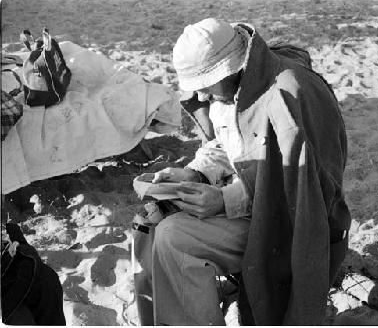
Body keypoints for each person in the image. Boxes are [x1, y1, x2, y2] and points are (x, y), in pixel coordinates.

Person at [135, 18, 351, 325]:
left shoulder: (288, 95)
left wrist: (224, 200)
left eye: (206, 85)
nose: (204, 97)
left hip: (289, 225)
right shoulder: (230, 88)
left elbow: (300, 193)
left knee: (174, 239)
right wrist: (195, 173)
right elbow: (225, 143)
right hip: (250, 205)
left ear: (230, 67)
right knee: (153, 221)